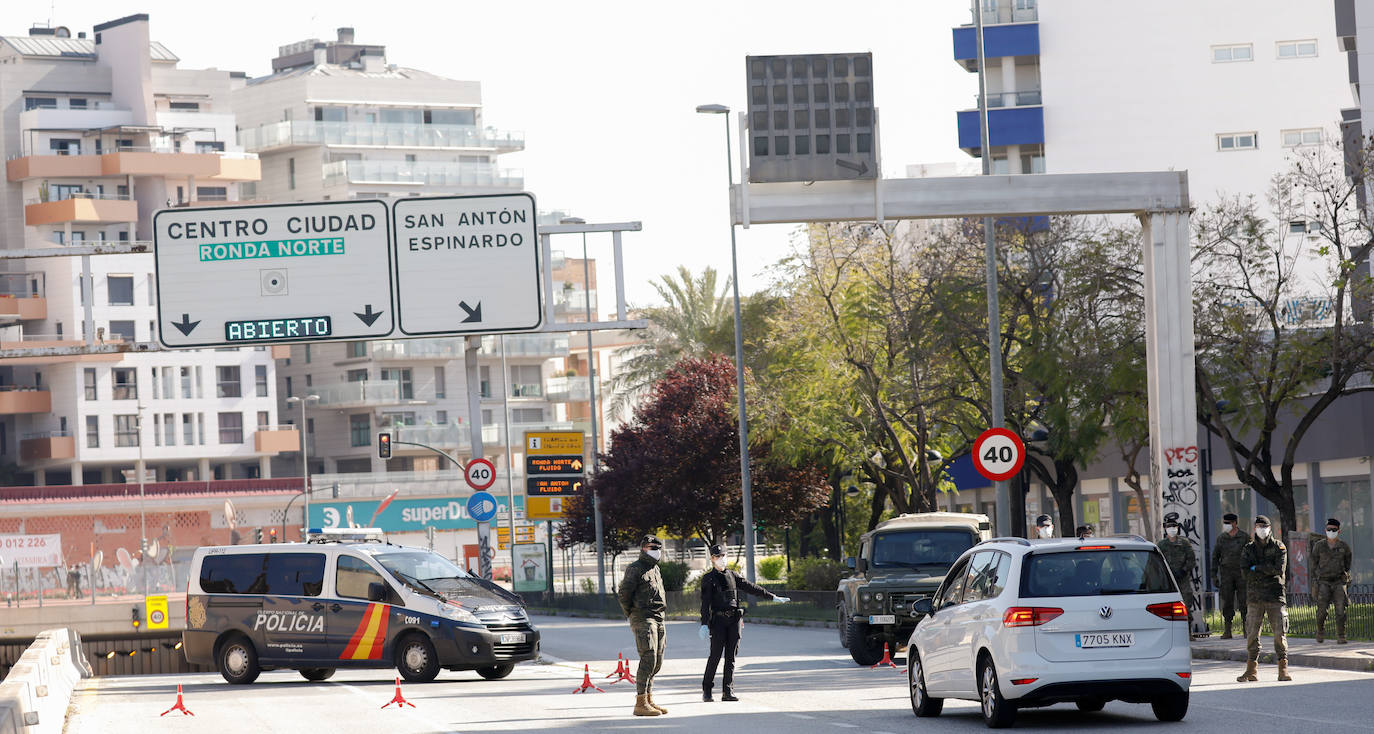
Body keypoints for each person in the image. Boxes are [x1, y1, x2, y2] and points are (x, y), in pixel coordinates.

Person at [698, 544, 790, 702]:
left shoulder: (733, 575)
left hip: (734, 620)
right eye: (717, 556)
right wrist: (704, 623)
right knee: (715, 656)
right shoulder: (709, 578)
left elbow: (750, 587)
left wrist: (771, 596)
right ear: (712, 559)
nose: (721, 559)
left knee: (731, 657)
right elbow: (705, 603)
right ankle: (707, 690)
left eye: (723, 555)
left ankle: (728, 691)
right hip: (719, 621)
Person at [617, 535, 669, 717]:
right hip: (643, 618)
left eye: (658, 548)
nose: (656, 551)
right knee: (648, 657)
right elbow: (624, 595)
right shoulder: (635, 568)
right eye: (652, 547)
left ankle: (648, 699)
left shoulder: (655, 569)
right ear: (643, 548)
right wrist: (632, 614)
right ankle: (640, 703)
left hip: (659, 617)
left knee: (657, 661)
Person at [1238, 515, 1290, 682]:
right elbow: (1245, 572)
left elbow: (1279, 569)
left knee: (1279, 633)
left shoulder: (1278, 547)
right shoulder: (1248, 549)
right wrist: (1265, 570)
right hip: (1255, 597)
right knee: (1252, 634)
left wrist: (1257, 568)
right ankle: (1251, 670)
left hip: (1275, 596)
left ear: (1269, 528)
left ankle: (1283, 669)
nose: (1261, 529)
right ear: (1255, 528)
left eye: (1264, 526)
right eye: (1259, 526)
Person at [1311, 518, 1352, 644]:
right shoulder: (1319, 546)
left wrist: (1344, 575)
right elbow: (1313, 563)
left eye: (1334, 530)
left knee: (1340, 610)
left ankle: (1341, 635)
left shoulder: (1344, 546)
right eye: (1329, 529)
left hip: (1339, 581)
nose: (1331, 532)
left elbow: (1347, 563)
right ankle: (1320, 631)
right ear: (1325, 530)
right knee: (1322, 611)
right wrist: (1316, 579)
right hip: (1323, 582)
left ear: (1338, 531)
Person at [1210, 513, 1248, 639]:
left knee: (1244, 601)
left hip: (1241, 574)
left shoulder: (1244, 537)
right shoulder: (1221, 538)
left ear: (1235, 523)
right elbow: (1215, 557)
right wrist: (1214, 575)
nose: (1226, 525)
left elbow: (1251, 554)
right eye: (1224, 523)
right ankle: (1227, 629)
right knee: (1227, 601)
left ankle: (1246, 628)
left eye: (1228, 523)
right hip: (1226, 574)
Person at [1156, 519, 1197, 630]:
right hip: (1168, 581)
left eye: (1174, 527)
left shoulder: (1184, 543)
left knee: (1186, 604)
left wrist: (1183, 570)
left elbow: (1191, 560)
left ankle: (1188, 631)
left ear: (1177, 528)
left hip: (1183, 579)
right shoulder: (1161, 545)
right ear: (1165, 529)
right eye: (1169, 527)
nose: (1172, 529)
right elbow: (1157, 563)